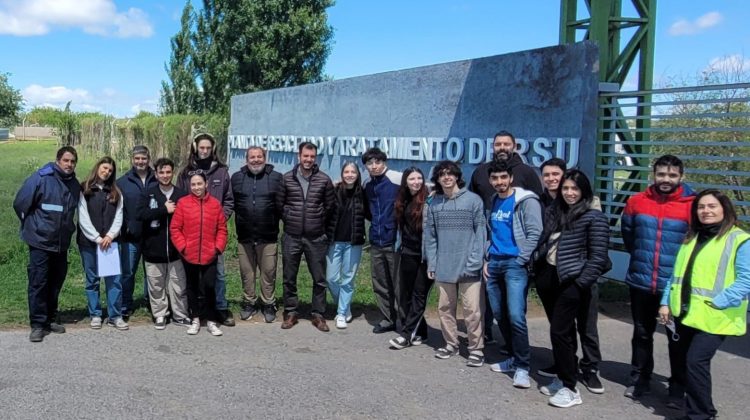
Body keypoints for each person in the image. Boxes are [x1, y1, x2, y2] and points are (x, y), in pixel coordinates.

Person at [658, 189, 750, 420]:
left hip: (715, 316)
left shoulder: (740, 240)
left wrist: (718, 302)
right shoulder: (693, 237)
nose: (706, 211)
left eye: (711, 206)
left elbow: (746, 280)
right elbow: (675, 275)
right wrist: (665, 302)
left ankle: (700, 415)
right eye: (701, 207)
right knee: (688, 364)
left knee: (695, 362)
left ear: (724, 209)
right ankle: (701, 410)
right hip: (686, 313)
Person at [621, 154, 695, 402]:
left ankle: (677, 388)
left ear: (681, 177)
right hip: (641, 281)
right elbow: (629, 237)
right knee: (642, 334)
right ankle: (639, 379)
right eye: (661, 174)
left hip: (675, 287)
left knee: (677, 339)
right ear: (654, 175)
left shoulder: (692, 205)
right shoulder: (636, 202)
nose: (666, 179)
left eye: (672, 175)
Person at [537, 170, 610, 408]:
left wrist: (580, 283)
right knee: (563, 333)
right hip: (550, 278)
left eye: (574, 189)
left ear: (584, 191)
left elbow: (598, 258)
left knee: (560, 332)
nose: (569, 193)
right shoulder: (555, 211)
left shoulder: (593, 217)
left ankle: (570, 388)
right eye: (566, 188)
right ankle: (563, 376)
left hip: (573, 282)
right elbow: (545, 241)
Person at [469, 130, 543, 347]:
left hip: (516, 253)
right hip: (492, 248)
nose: (502, 147)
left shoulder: (527, 173)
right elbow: (473, 201)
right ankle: (495, 336)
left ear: (514, 146)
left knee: (515, 309)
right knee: (494, 302)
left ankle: (519, 353)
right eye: (498, 144)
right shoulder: (481, 172)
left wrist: (525, 255)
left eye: (506, 144)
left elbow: (537, 211)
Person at [484, 160, 542, 388]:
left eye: (503, 178)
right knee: (500, 314)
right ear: (491, 181)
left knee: (516, 315)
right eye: (495, 178)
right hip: (495, 263)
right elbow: (493, 232)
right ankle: (513, 357)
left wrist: (520, 258)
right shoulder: (494, 200)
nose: (499, 182)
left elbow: (535, 231)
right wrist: (487, 257)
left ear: (511, 178)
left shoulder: (525, 201)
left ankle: (523, 367)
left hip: (515, 265)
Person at [13, 146, 81, 342]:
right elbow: (20, 203)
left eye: (73, 161)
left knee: (55, 282)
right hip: (40, 242)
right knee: (38, 283)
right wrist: (32, 226)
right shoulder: (42, 178)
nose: (69, 164)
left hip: (61, 243)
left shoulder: (74, 184)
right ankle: (37, 324)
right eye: (66, 160)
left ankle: (50, 319)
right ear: (58, 160)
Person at [424, 161, 487, 366]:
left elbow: (481, 233)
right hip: (444, 266)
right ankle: (451, 344)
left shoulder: (473, 201)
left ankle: (476, 348)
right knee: (444, 308)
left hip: (469, 266)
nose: (446, 177)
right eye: (442, 174)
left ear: (457, 176)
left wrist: (475, 261)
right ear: (438, 179)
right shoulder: (434, 204)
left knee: (472, 310)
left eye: (450, 174)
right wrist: (432, 263)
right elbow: (430, 237)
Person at [276, 141, 335, 332]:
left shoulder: (324, 180)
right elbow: (280, 204)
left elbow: (330, 208)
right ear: (299, 156)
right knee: (289, 277)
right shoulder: (286, 179)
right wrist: (289, 216)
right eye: (305, 156)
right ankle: (291, 312)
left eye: (312, 156)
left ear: (315, 158)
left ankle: (318, 315)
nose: (308, 160)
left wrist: (318, 224)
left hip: (316, 237)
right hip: (292, 236)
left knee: (319, 278)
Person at [177, 133, 235, 326]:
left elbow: (228, 200)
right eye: (201, 148)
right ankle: (196, 311)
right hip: (191, 235)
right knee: (193, 277)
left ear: (213, 149)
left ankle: (220, 308)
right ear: (195, 148)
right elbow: (180, 201)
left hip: (213, 234)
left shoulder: (221, 172)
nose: (204, 151)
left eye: (208, 148)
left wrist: (218, 219)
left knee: (217, 275)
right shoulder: (186, 172)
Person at [170, 171, 228, 336]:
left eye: (199, 184)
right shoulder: (183, 203)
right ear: (190, 186)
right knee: (192, 287)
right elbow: (175, 228)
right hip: (190, 254)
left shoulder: (215, 204)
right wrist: (183, 247)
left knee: (210, 286)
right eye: (193, 184)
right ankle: (195, 318)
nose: (196, 187)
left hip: (210, 254)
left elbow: (222, 229)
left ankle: (210, 320)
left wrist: (217, 248)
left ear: (206, 184)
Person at [231, 146, 283, 323]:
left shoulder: (276, 178)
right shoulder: (237, 178)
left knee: (268, 273)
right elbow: (231, 203)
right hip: (244, 236)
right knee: (247, 273)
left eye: (259, 157)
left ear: (265, 158)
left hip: (268, 237)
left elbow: (282, 205)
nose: (256, 160)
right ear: (246, 159)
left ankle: (268, 304)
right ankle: (249, 302)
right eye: (252, 157)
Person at [138, 158, 190, 330]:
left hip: (176, 250)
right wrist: (163, 210)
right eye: (162, 172)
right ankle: (160, 314)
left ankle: (180, 315)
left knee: (178, 284)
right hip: (153, 248)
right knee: (156, 285)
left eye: (168, 172)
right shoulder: (148, 194)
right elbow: (141, 215)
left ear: (173, 173)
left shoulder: (181, 195)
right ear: (156, 174)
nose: (165, 175)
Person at [77, 156, 127, 331]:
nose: (107, 172)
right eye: (104, 168)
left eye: (110, 170)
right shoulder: (84, 189)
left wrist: (110, 236)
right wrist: (97, 238)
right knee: (92, 280)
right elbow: (83, 217)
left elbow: (119, 215)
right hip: (89, 243)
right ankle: (96, 314)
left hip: (111, 244)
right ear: (98, 167)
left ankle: (115, 315)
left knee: (114, 280)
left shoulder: (115, 192)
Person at [389, 167, 432, 349]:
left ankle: (406, 335)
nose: (416, 182)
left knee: (419, 294)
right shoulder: (402, 199)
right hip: (407, 252)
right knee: (405, 294)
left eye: (419, 178)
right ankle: (421, 331)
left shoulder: (430, 200)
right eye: (412, 179)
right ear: (405, 181)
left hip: (425, 256)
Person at [361, 147, 403, 333]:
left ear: (384, 162)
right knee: (380, 283)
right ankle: (388, 318)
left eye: (377, 162)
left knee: (399, 284)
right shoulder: (367, 185)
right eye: (370, 163)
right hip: (376, 241)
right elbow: (368, 211)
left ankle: (405, 320)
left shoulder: (397, 178)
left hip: (394, 241)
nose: (374, 166)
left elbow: (420, 187)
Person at [117, 145, 157, 319]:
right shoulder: (122, 182)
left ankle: (153, 303)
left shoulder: (157, 179)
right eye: (137, 158)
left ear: (149, 159)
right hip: (130, 237)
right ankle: (126, 304)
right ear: (132, 160)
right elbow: (118, 209)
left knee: (152, 272)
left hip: (152, 235)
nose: (140, 161)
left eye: (144, 158)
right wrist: (126, 227)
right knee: (128, 272)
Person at [326, 161, 366, 329]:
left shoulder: (363, 193)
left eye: (353, 172)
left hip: (353, 243)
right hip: (334, 241)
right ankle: (345, 305)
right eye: (347, 172)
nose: (350, 174)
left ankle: (341, 313)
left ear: (357, 175)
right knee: (331, 278)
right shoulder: (334, 191)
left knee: (348, 280)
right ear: (342, 174)